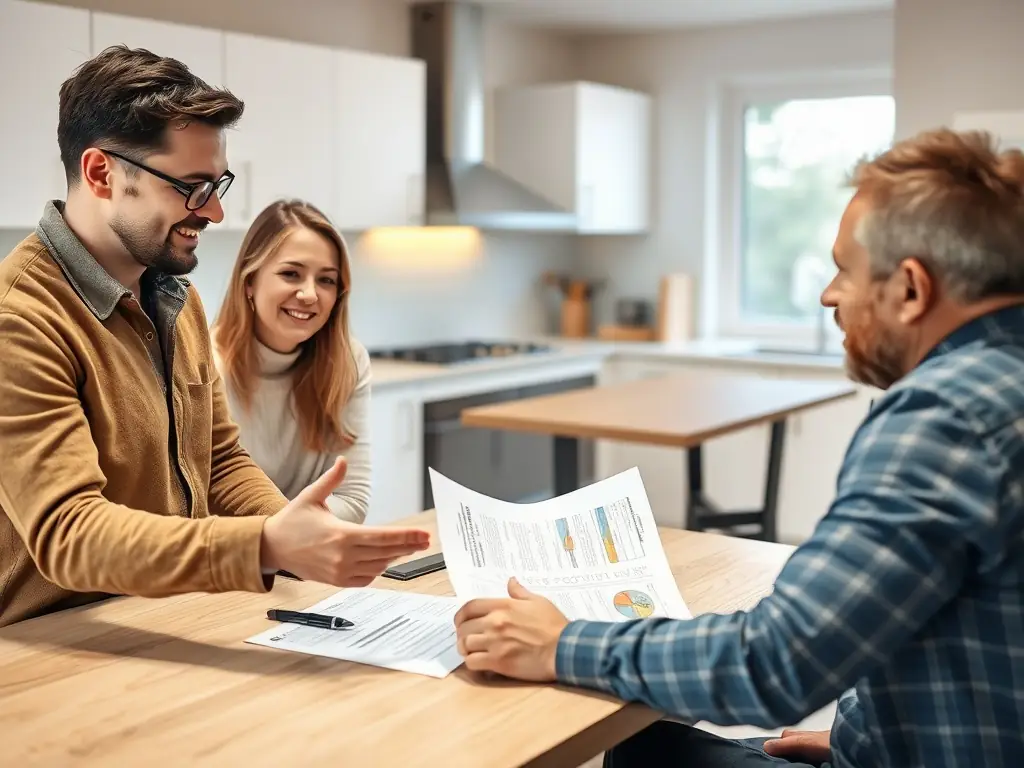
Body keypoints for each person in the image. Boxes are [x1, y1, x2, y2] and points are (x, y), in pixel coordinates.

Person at [453, 127, 1024, 767]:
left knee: (642, 751)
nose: (828, 295)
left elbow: (778, 663)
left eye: (844, 270)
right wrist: (857, 740)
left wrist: (561, 644)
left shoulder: (945, 416)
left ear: (912, 289)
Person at [0, 45, 429, 629]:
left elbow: (219, 461)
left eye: (217, 185)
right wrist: (265, 546)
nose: (215, 213)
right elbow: (69, 532)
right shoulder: (20, 318)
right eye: (191, 187)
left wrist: (300, 532)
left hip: (164, 617)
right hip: (52, 646)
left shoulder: (177, 299)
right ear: (102, 173)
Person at [212, 199, 371, 524]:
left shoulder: (349, 361)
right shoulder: (202, 362)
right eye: (291, 274)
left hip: (306, 563)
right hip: (231, 561)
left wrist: (287, 529)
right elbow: (202, 504)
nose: (310, 294)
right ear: (250, 282)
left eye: (326, 280)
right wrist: (295, 526)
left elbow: (353, 503)